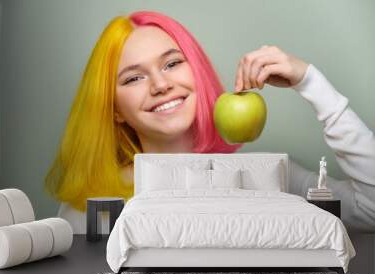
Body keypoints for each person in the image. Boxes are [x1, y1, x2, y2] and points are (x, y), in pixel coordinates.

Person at [45, 11, 375, 234]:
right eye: (133, 79)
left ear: (197, 72)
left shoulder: (273, 176)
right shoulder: (91, 204)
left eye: (172, 63)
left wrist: (310, 81)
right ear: (114, 108)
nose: (160, 85)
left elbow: (370, 209)